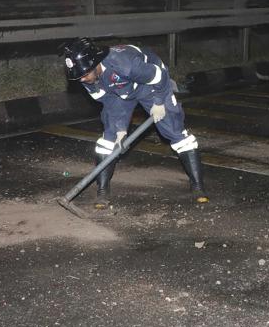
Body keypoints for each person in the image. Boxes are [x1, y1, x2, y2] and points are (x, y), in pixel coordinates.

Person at [61, 38, 209, 208]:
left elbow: (160, 77)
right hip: (119, 93)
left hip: (151, 86)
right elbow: (109, 102)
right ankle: (102, 191)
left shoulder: (126, 65)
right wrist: (120, 129)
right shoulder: (87, 78)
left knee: (174, 131)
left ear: (95, 64)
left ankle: (198, 186)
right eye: (78, 76)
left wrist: (159, 102)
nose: (82, 80)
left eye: (84, 75)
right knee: (109, 138)